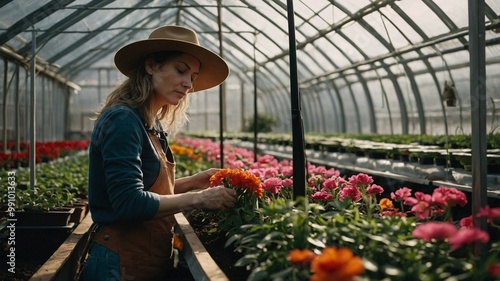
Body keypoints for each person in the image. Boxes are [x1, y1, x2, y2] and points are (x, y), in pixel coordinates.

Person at [82, 25, 237, 281]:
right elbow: (130, 203)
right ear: (151, 66)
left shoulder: (149, 124)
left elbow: (150, 193)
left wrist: (195, 181)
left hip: (143, 258)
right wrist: (200, 198)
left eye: (193, 77)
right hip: (117, 263)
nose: (188, 84)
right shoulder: (123, 120)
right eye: (181, 70)